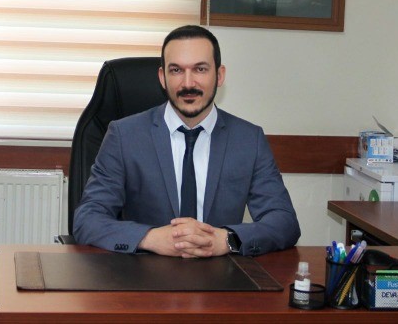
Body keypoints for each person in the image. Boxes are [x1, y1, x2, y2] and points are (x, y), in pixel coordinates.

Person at [73, 25, 300, 258]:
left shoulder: (248, 140)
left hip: (222, 273)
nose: (188, 83)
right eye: (176, 70)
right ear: (162, 77)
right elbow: (87, 219)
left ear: (219, 75)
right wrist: (149, 238)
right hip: (145, 272)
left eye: (200, 69)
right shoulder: (124, 136)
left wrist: (227, 239)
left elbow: (284, 222)